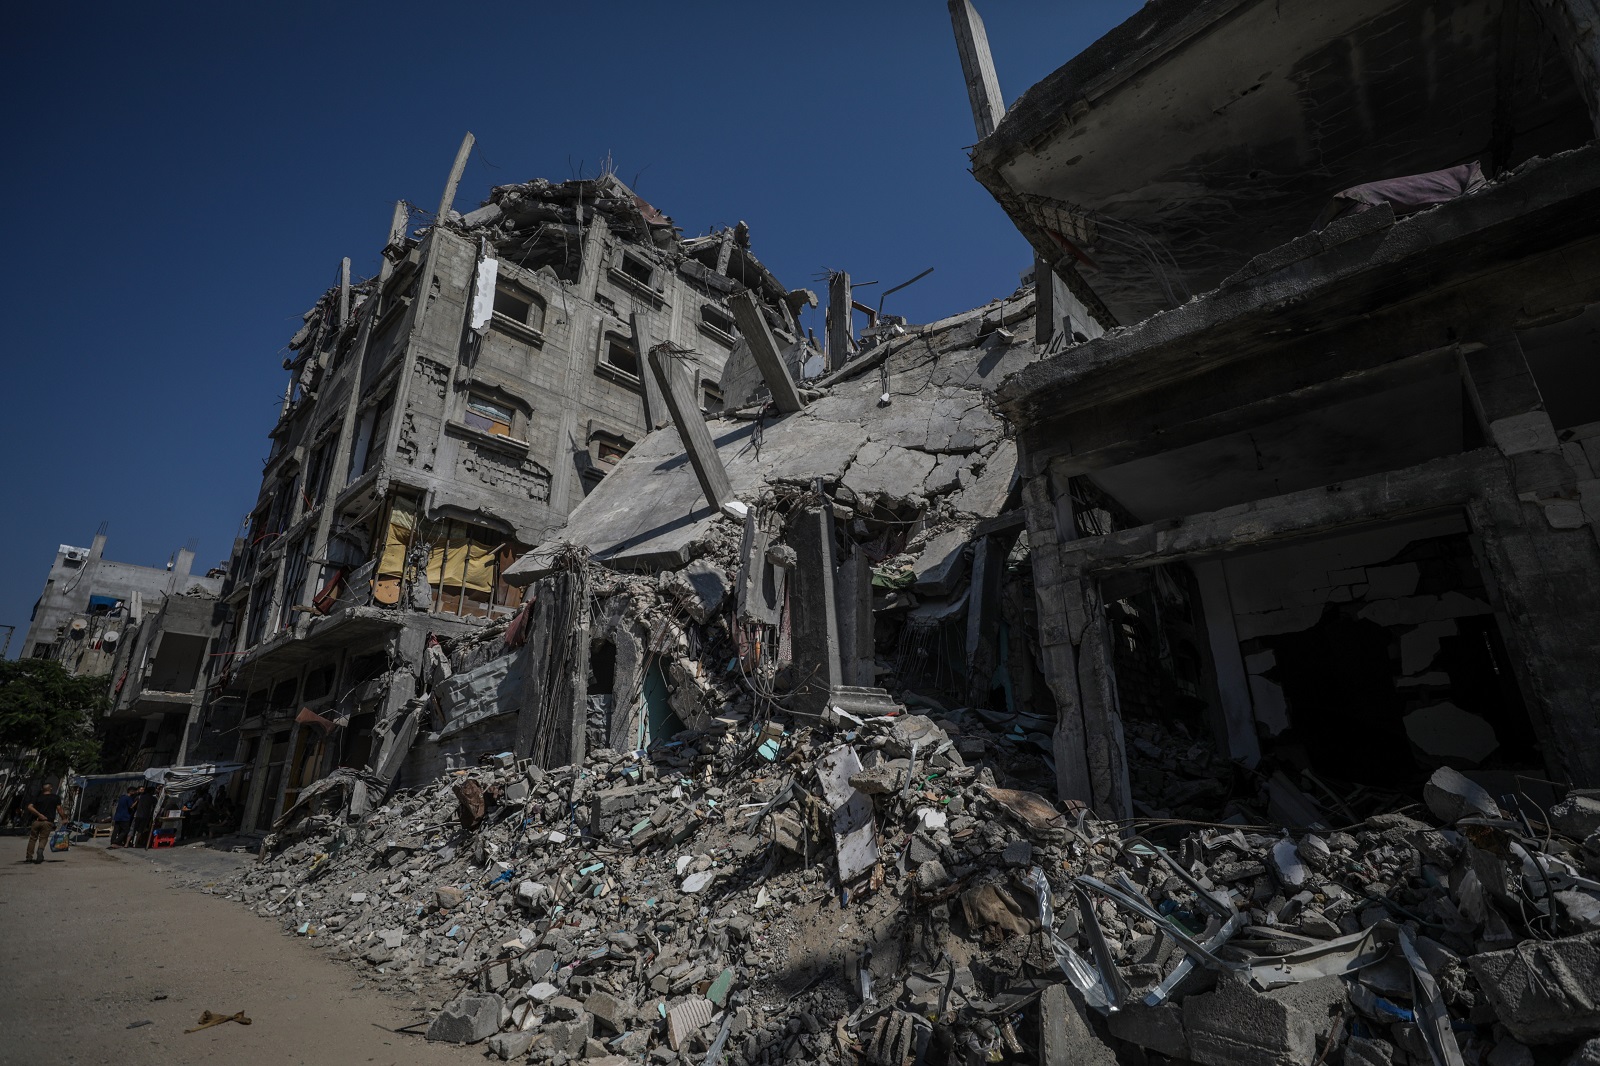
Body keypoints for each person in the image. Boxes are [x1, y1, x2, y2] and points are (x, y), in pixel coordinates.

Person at [24, 782, 63, 864]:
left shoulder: (37, 797)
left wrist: (39, 814)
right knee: (43, 838)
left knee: (32, 839)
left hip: (36, 821)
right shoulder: (55, 797)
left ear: (42, 789)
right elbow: (59, 810)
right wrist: (64, 818)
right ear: (51, 788)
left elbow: (29, 807)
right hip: (47, 822)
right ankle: (40, 851)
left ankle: (29, 857)